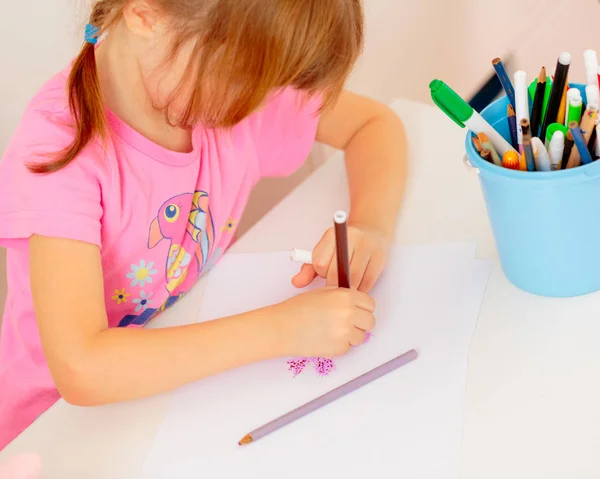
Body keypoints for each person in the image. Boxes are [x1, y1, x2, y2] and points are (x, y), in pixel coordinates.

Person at [0, 0, 407, 449]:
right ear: (144, 14)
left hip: (174, 400)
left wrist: (371, 227)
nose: (265, 103)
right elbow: (82, 368)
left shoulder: (243, 85)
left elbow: (374, 125)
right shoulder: (61, 153)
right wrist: (282, 329)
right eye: (244, 81)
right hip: (54, 433)